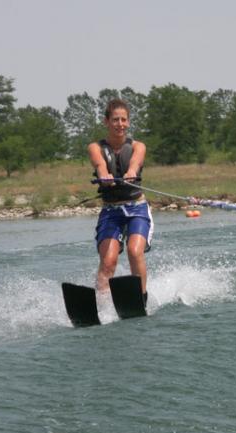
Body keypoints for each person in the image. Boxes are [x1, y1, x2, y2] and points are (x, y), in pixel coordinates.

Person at [88, 99, 152, 305]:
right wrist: (104, 175)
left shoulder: (138, 146)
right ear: (106, 121)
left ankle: (141, 299)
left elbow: (136, 162)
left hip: (137, 209)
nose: (120, 124)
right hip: (111, 211)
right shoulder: (95, 147)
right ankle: (102, 305)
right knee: (108, 261)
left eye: (124, 120)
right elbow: (100, 164)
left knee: (134, 251)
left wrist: (131, 172)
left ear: (129, 122)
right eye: (115, 120)